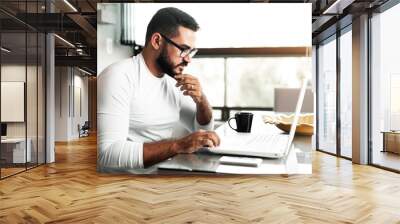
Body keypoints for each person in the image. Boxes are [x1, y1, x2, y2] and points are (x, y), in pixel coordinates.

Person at [97, 7, 220, 170]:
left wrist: (201, 99)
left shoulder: (174, 82)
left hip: (164, 177)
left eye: (191, 51)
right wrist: (178, 146)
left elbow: (202, 130)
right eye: (183, 49)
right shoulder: (118, 76)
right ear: (157, 41)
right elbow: (107, 154)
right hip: (126, 185)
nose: (188, 59)